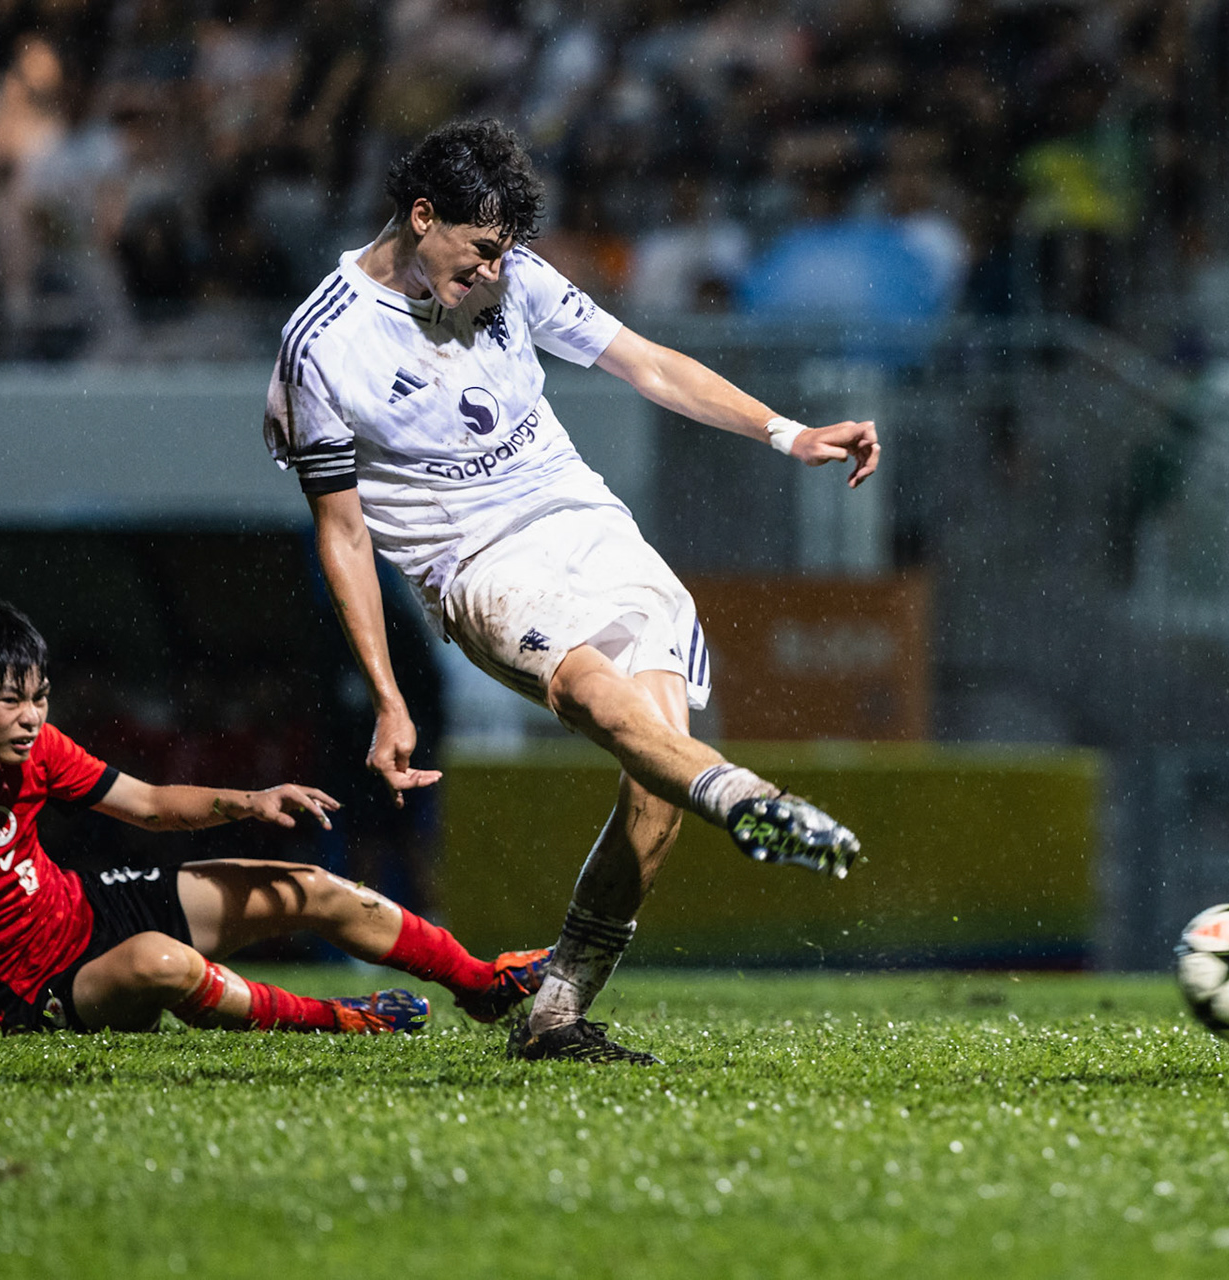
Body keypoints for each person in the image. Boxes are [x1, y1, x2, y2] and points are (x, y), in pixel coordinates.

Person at [263, 119, 879, 1064]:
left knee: (658, 769)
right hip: (478, 563)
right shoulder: (323, 344)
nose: (492, 276)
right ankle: (751, 802)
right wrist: (388, 694)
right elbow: (342, 532)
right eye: (476, 255)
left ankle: (555, 1015)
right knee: (610, 704)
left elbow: (646, 362)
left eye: (504, 255)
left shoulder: (512, 274)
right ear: (422, 216)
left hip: (586, 522)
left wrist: (787, 433)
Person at [0, 600, 550, 1038]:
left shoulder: (34, 749)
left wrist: (249, 800)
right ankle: (345, 1019)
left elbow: (145, 803)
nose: (32, 718)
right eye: (11, 702)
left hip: (88, 909)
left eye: (40, 698)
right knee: (162, 962)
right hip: (38, 997)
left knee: (302, 885)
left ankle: (480, 985)